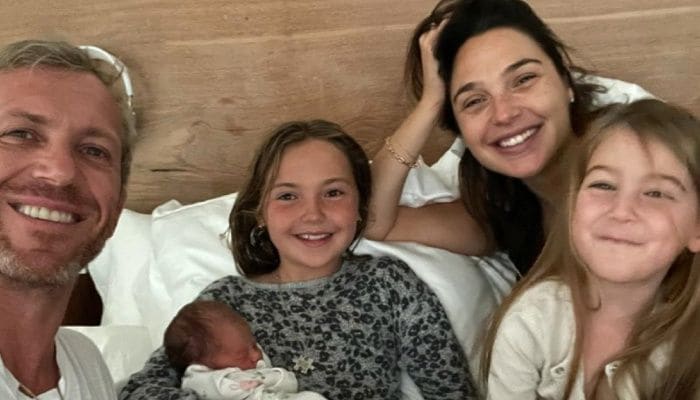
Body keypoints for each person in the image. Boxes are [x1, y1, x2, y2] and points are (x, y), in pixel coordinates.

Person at [120, 120, 476, 399]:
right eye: (288, 196)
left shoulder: (388, 285)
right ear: (260, 212)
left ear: (359, 206)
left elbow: (454, 393)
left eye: (333, 192)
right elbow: (140, 391)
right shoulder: (226, 302)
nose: (313, 214)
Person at [366, 0, 613, 274]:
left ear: (566, 82)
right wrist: (431, 102)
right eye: (474, 101)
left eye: (523, 80)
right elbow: (375, 222)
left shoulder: (632, 156)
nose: (504, 114)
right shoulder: (503, 217)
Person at [480, 99, 700, 399]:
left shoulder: (689, 346)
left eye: (656, 193)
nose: (621, 211)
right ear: (573, 206)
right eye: (603, 185)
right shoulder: (531, 321)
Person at [0, 39, 136, 399]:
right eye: (19, 134)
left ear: (117, 206)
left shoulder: (85, 363)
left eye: (94, 151)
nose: (60, 172)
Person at [164, 300, 327, 400]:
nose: (256, 355)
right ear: (202, 365)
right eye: (242, 354)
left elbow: (289, 383)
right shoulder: (203, 379)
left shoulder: (253, 364)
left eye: (254, 345)